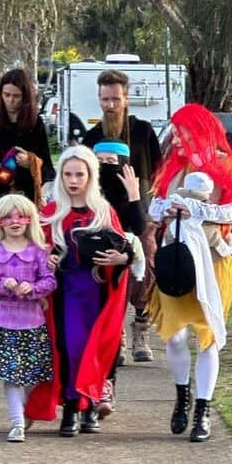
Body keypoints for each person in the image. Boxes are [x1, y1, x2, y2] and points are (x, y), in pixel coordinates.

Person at [148, 103, 232, 443]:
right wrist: (167, 208)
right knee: (175, 334)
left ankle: (203, 410)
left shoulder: (226, 165)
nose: (175, 139)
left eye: (181, 133)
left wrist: (197, 208)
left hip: (213, 259)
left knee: (207, 336)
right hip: (177, 259)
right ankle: (182, 396)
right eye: (174, 133)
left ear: (199, 131)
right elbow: (154, 206)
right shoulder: (172, 168)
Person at [26, 146, 136, 437]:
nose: (73, 180)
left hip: (99, 292)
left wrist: (121, 259)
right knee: (71, 348)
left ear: (90, 176)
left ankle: (90, 407)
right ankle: (72, 407)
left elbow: (126, 250)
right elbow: (35, 252)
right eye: (67, 174)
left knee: (97, 349)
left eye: (79, 174)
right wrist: (45, 258)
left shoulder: (104, 211)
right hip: (65, 294)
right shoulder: (51, 213)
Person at [0, 69, 55, 344]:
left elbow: (49, 170)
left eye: (17, 96)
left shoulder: (35, 125)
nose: (11, 101)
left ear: (26, 97)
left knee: (27, 274)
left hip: (25, 209)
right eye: (6, 95)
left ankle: (24, 336)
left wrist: (32, 163)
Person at [84, 69, 162, 363]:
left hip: (140, 211)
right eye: (105, 99)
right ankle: (114, 335)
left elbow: (159, 171)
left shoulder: (143, 131)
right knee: (108, 277)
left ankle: (141, 328)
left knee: (146, 274)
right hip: (104, 217)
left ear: (126, 98)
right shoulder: (92, 136)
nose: (110, 105)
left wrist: (150, 204)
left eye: (116, 99)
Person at [0, 194, 56, 443]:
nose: (15, 221)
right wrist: (2, 283)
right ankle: (17, 422)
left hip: (32, 322)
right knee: (11, 375)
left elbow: (50, 280)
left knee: (30, 375)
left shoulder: (39, 252)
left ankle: (25, 408)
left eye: (20, 216)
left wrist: (34, 288)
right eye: (8, 217)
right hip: (1, 322)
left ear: (30, 220)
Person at [91, 139, 148, 417]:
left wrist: (134, 195)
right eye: (99, 161)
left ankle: (106, 385)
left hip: (119, 269)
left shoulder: (129, 194)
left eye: (111, 162)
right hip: (84, 270)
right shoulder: (86, 191)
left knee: (110, 331)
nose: (104, 166)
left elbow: (137, 228)